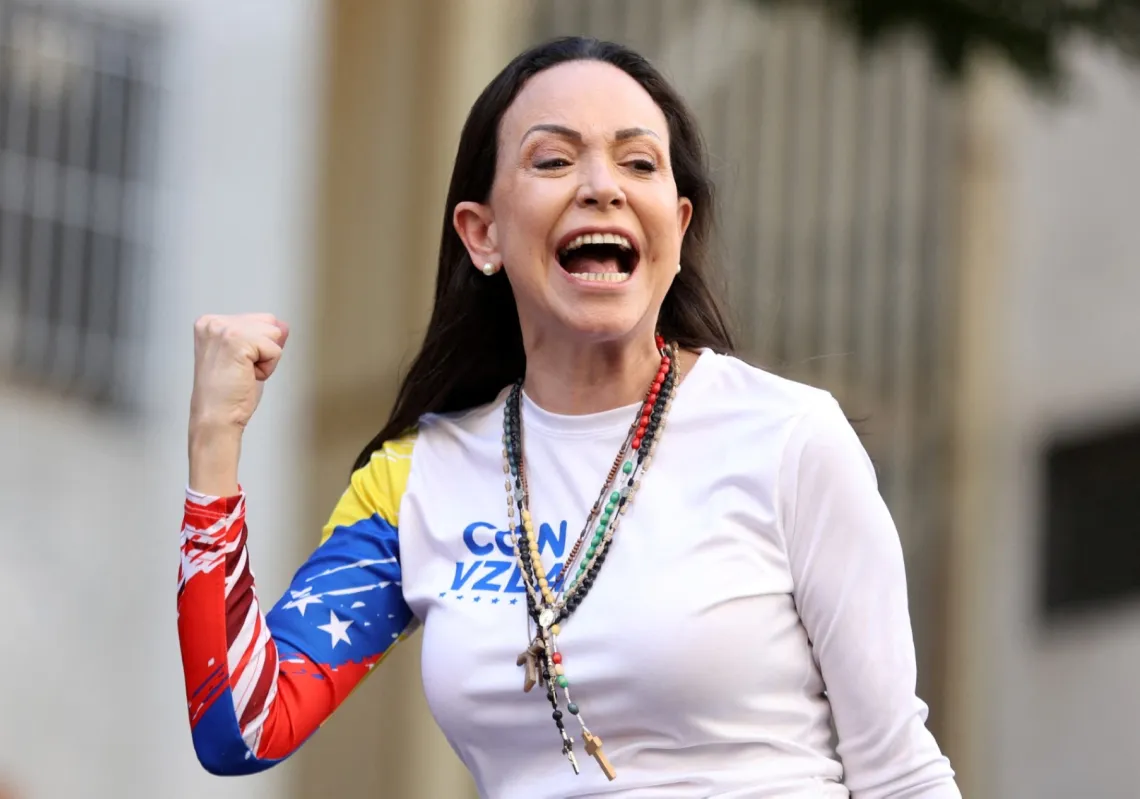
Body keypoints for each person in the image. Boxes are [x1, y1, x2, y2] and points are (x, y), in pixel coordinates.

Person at [177, 36, 961, 799]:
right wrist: (215, 441)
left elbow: (900, 774)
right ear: (482, 234)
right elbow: (243, 728)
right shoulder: (416, 479)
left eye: (639, 162)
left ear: (678, 227)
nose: (602, 186)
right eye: (553, 160)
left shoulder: (789, 437)